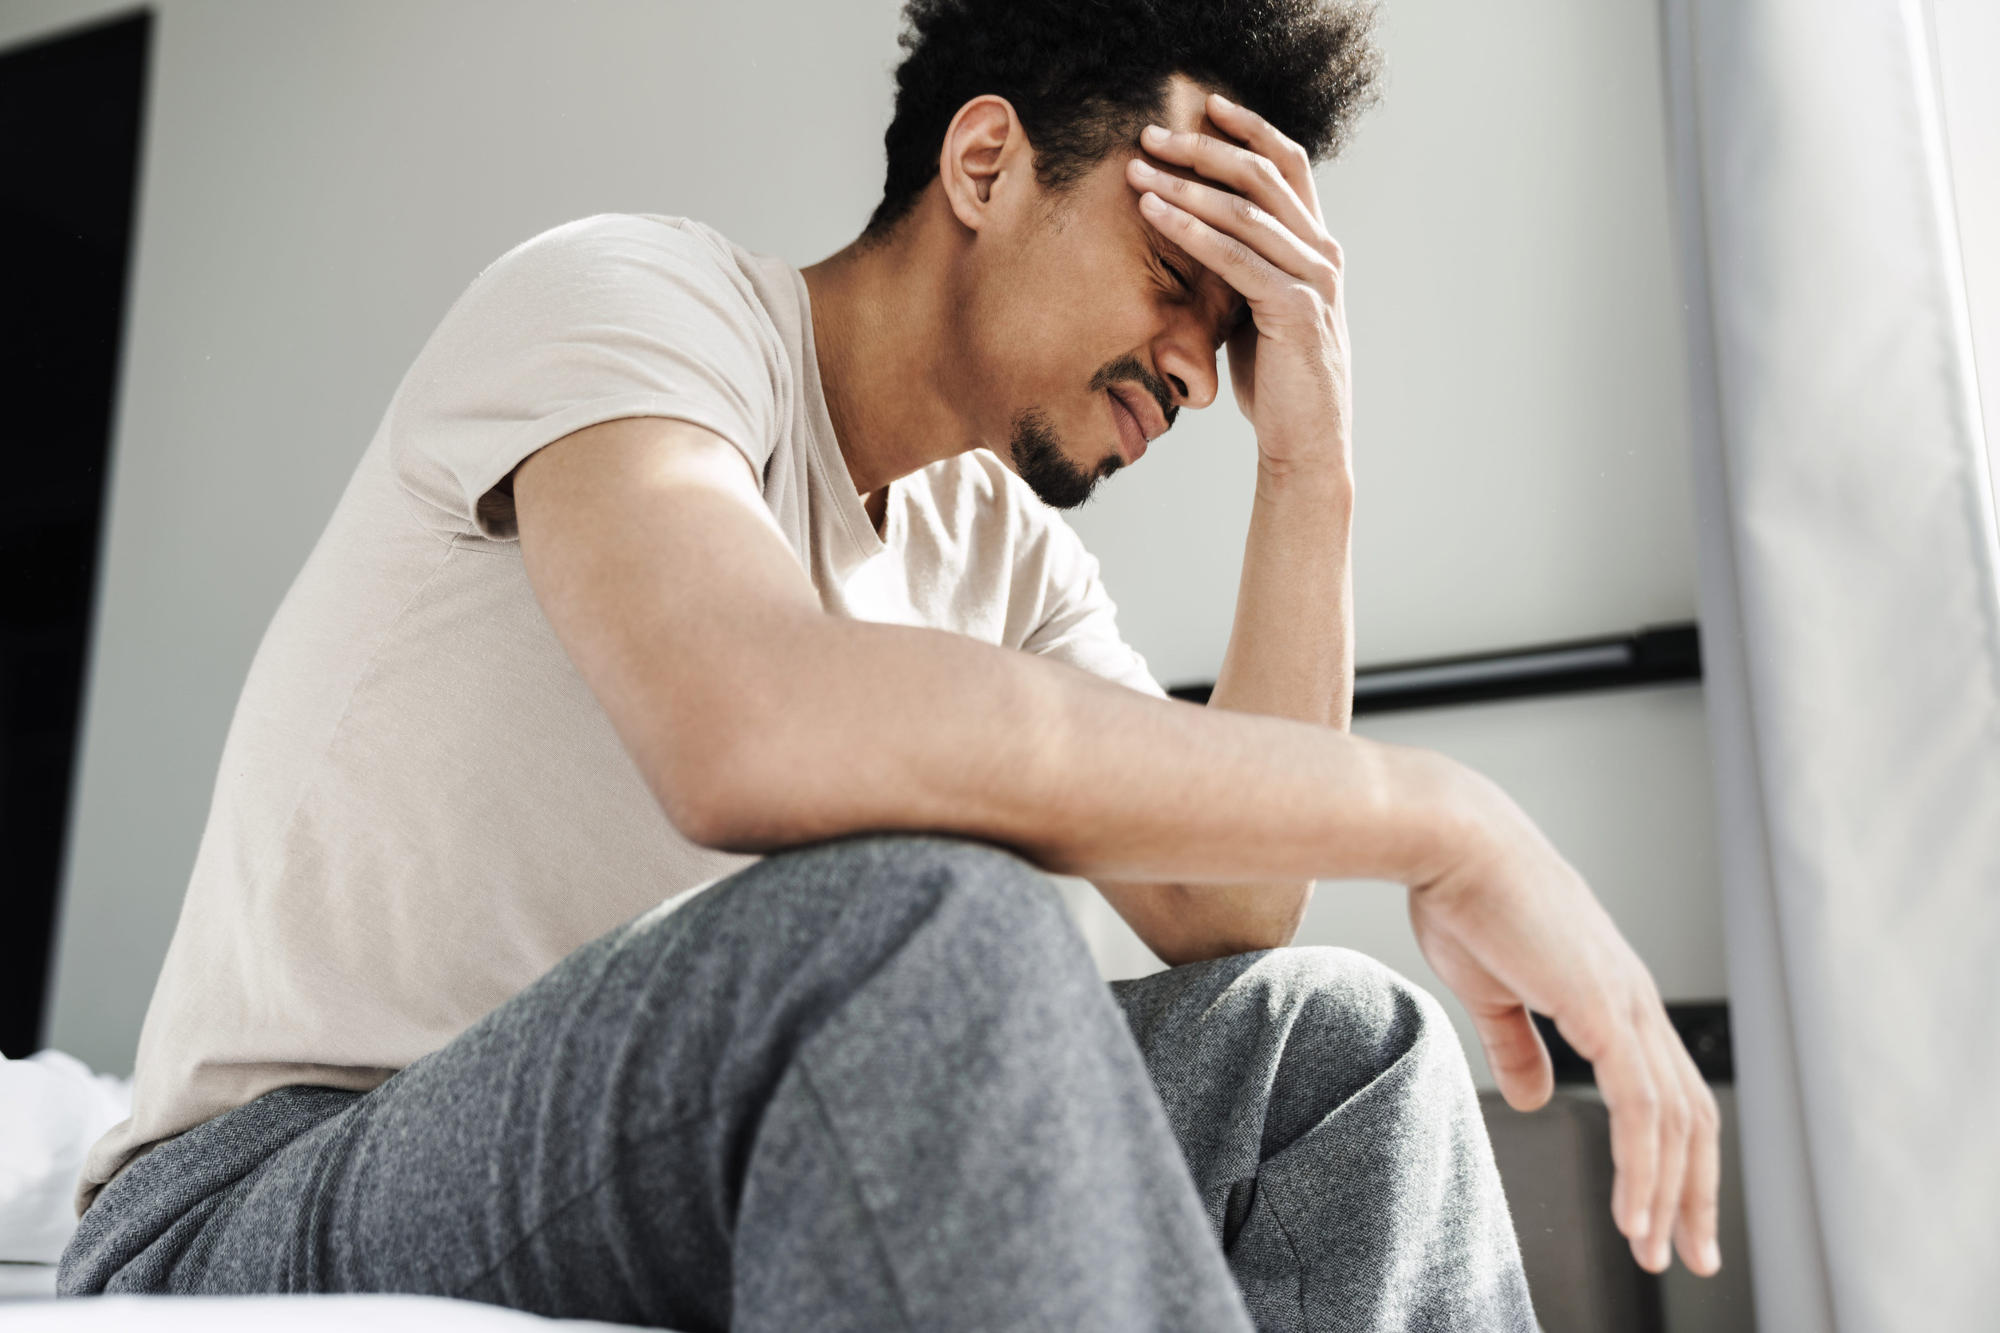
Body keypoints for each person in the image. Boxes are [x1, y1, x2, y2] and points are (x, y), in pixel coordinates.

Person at [58, 0, 1722, 1328]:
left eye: (1232, 335)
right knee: (925, 921)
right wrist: (1443, 815)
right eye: (1176, 281)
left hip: (651, 1165)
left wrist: (1311, 462)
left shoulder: (1004, 558)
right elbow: (748, 724)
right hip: (259, 1192)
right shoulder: (635, 307)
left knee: (1335, 1045)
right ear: (985, 163)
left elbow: (1228, 900)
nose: (1194, 371)